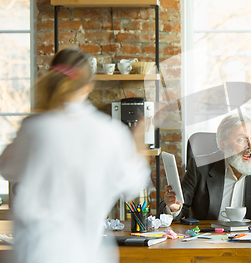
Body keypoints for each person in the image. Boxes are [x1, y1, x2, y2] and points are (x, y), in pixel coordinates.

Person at [0, 49, 150, 263]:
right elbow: (133, 184)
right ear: (89, 86)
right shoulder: (109, 133)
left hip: (33, 252)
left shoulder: (34, 128)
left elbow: (6, 168)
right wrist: (138, 143)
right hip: (84, 254)